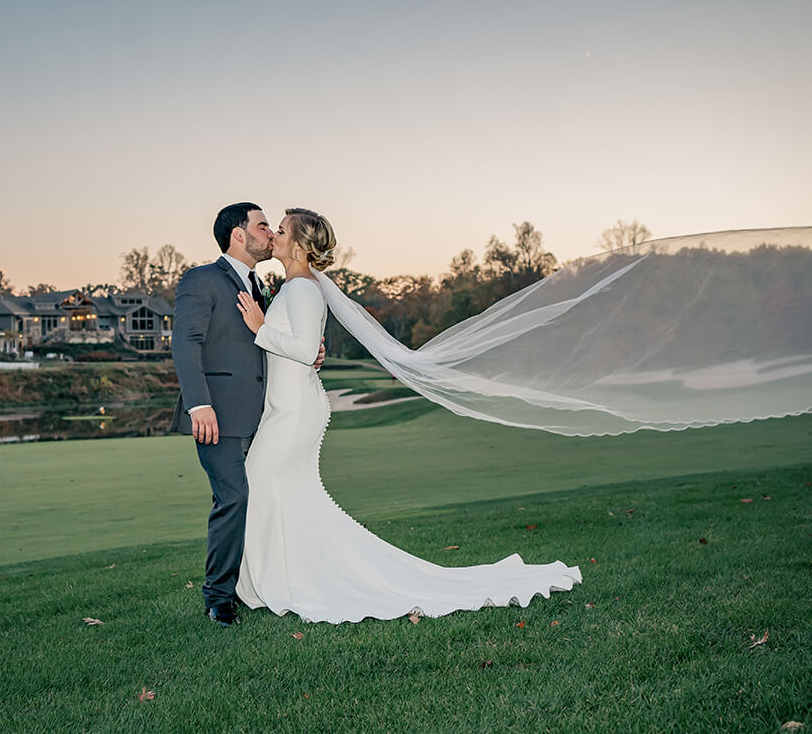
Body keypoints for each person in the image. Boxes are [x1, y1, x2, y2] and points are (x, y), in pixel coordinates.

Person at [234, 209, 581, 624]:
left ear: (299, 244)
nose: (274, 233)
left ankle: (277, 584)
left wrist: (260, 327)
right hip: (286, 407)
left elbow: (307, 349)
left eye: (282, 229)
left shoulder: (304, 290)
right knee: (284, 495)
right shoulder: (294, 288)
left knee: (261, 482)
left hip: (293, 413)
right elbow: (305, 348)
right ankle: (276, 581)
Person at [170, 202, 323, 627]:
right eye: (261, 226)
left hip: (265, 416)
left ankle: (263, 581)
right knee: (234, 497)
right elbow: (185, 343)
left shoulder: (264, 286)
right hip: (215, 415)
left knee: (262, 499)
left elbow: (272, 342)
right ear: (239, 235)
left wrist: (309, 355)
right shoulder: (201, 280)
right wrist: (199, 403)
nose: (269, 234)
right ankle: (219, 596)